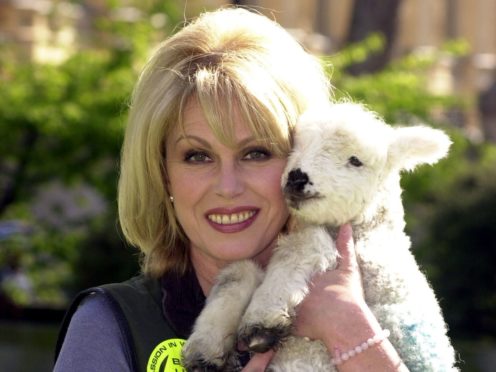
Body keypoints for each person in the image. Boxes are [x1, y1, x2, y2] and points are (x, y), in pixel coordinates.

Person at [54, 7, 407, 371]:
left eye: (256, 153)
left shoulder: (381, 308)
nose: (227, 187)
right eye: (197, 156)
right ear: (162, 174)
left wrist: (351, 334)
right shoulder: (110, 326)